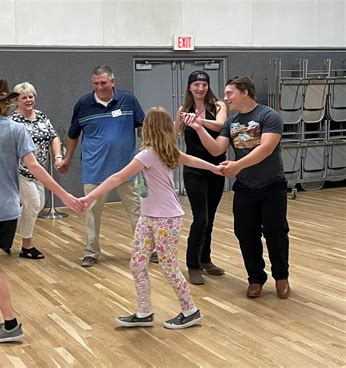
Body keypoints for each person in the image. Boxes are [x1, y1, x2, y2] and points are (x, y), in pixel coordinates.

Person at [0, 77, 83, 344]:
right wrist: (65, 193)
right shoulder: (16, 129)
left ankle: (10, 323)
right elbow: (34, 167)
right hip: (9, 208)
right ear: (7, 102)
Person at [81, 107, 223, 329]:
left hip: (166, 218)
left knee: (168, 266)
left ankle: (191, 311)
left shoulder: (149, 154)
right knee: (137, 264)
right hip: (148, 217)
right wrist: (214, 168)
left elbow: (118, 177)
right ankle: (144, 311)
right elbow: (192, 160)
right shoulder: (162, 151)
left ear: (147, 129)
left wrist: (88, 197)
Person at [184, 75, 290, 299]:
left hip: (272, 186)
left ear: (244, 92)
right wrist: (199, 128)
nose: (225, 97)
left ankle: (281, 276)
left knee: (275, 232)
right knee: (245, 233)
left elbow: (266, 148)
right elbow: (216, 150)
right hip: (245, 188)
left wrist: (237, 165)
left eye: (229, 93)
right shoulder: (231, 122)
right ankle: (255, 278)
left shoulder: (269, 116)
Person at [58, 65, 157, 267]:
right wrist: (67, 158)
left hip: (129, 170)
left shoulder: (128, 100)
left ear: (113, 81)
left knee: (139, 211)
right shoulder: (83, 104)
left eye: (104, 83)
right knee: (92, 213)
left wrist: (148, 153)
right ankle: (91, 251)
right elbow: (73, 134)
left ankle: (147, 249)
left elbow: (143, 126)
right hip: (94, 171)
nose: (100, 87)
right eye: (96, 83)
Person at [174, 71, 227, 285]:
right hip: (194, 170)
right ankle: (192, 264)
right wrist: (179, 122)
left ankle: (206, 259)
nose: (200, 88)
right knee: (200, 218)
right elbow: (176, 132)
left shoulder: (218, 106)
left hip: (216, 168)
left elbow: (221, 126)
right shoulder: (183, 109)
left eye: (204, 84)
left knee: (211, 217)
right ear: (189, 87)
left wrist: (198, 121)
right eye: (196, 84)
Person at [8, 82, 63, 260]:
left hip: (40, 172)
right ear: (17, 100)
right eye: (24, 97)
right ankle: (27, 246)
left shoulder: (41, 116)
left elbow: (53, 136)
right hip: (21, 172)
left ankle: (6, 233)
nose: (28, 100)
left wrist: (57, 157)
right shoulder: (13, 121)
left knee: (38, 205)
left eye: (31, 96)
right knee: (32, 205)